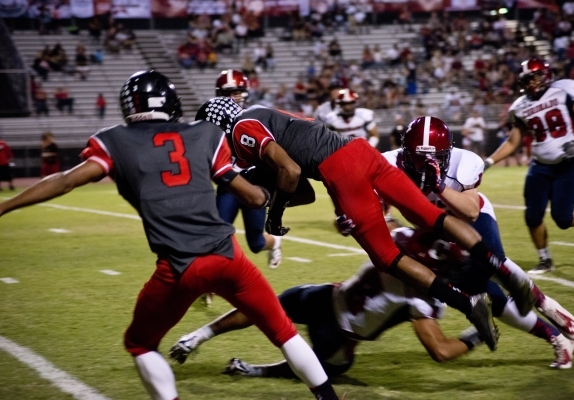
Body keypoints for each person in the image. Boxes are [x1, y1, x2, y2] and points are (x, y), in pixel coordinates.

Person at [0, 71, 339, 400]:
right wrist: (271, 194)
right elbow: (252, 197)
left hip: (179, 266)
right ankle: (326, 396)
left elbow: (65, 180)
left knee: (139, 343)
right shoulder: (203, 135)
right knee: (284, 332)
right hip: (228, 256)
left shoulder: (117, 140)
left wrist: (6, 206)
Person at [195, 97, 539, 351]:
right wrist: (273, 195)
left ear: (217, 122)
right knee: (431, 216)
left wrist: (275, 212)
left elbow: (293, 172)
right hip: (359, 152)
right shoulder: (263, 113)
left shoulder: (241, 128)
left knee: (387, 257)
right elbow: (302, 190)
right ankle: (507, 271)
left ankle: (466, 303)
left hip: (341, 169)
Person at [170, 225, 574, 375]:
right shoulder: (425, 296)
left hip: (324, 296)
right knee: (325, 368)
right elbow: (439, 351)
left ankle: (197, 337)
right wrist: (471, 336)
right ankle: (257, 371)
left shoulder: (400, 236)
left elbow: (364, 227)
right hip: (342, 336)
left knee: (262, 308)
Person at [386, 115, 574, 363]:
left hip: (469, 218)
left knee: (491, 260)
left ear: (448, 152)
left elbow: (470, 210)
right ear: (405, 151)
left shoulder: (464, 161)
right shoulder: (389, 163)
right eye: (417, 157)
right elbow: (377, 207)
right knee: (491, 300)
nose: (424, 165)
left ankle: (543, 302)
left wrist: (439, 187)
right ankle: (557, 338)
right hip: (434, 229)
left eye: (432, 159)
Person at [484, 58, 574, 273]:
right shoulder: (519, 107)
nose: (531, 83)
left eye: (535, 77)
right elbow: (513, 142)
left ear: (545, 75)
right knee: (532, 216)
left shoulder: (565, 90)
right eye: (527, 80)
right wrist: (488, 162)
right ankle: (545, 259)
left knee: (562, 218)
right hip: (540, 166)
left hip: (568, 164)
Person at [213, 70, 289, 270]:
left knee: (256, 243)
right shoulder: (212, 116)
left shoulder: (257, 113)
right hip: (228, 183)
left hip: (254, 182)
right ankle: (212, 282)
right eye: (229, 91)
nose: (233, 96)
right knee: (216, 234)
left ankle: (275, 242)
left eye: (237, 91)